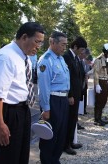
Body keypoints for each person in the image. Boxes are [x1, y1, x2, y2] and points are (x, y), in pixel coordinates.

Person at [0, 22, 45, 164]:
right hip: (6, 113)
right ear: (24, 37)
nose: (38, 47)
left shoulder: (24, 57)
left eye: (41, 43)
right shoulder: (6, 57)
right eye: (37, 42)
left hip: (21, 110)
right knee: (7, 158)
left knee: (21, 157)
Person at [38, 31, 70, 163]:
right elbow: (44, 87)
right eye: (62, 44)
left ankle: (55, 160)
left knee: (61, 134)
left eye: (66, 45)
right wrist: (46, 109)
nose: (64, 48)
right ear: (52, 42)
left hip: (63, 100)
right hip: (53, 101)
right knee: (49, 135)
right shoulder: (46, 60)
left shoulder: (60, 58)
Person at [63, 36, 87, 155]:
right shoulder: (67, 57)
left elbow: (80, 74)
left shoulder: (76, 58)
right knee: (69, 119)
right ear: (75, 46)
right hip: (71, 95)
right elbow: (67, 78)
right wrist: (70, 94)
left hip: (77, 93)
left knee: (73, 119)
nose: (82, 52)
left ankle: (71, 141)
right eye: (81, 49)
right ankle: (65, 144)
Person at [93, 43, 108, 126]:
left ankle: (100, 117)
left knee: (103, 101)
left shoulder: (106, 60)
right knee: (99, 101)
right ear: (106, 52)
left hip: (105, 81)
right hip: (100, 82)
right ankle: (96, 119)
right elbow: (96, 73)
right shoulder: (98, 60)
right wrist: (97, 85)